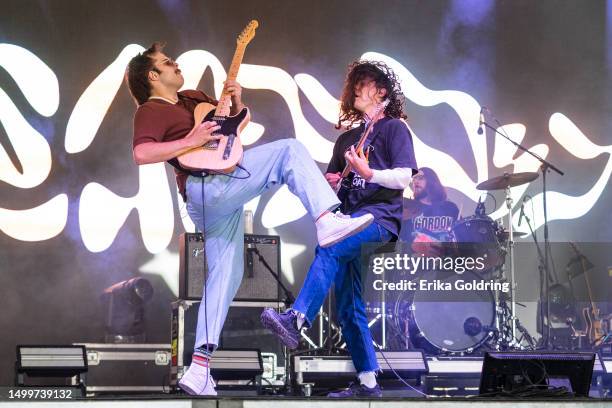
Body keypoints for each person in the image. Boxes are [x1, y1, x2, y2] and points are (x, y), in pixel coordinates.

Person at [126, 42, 374, 396]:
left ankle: (199, 367)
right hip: (203, 189)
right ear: (152, 76)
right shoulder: (150, 110)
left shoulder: (194, 96)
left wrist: (237, 103)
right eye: (167, 63)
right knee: (289, 150)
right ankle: (326, 218)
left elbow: (230, 130)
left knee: (227, 274)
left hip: (222, 188)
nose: (176, 65)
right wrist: (189, 141)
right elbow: (142, 153)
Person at [261, 60, 418, 397]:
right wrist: (332, 182)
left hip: (379, 220)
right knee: (348, 305)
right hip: (348, 219)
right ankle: (368, 382)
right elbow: (332, 188)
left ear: (382, 91)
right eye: (355, 84)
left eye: (364, 83)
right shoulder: (347, 138)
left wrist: (371, 173)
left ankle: (297, 319)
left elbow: (405, 176)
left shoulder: (394, 128)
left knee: (329, 248)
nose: (356, 89)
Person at [399, 167, 460, 248]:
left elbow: (460, 235)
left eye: (420, 178)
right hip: (416, 257)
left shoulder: (450, 208)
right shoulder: (407, 209)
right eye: (413, 179)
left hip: (446, 257)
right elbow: (402, 240)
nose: (415, 181)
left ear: (432, 181)